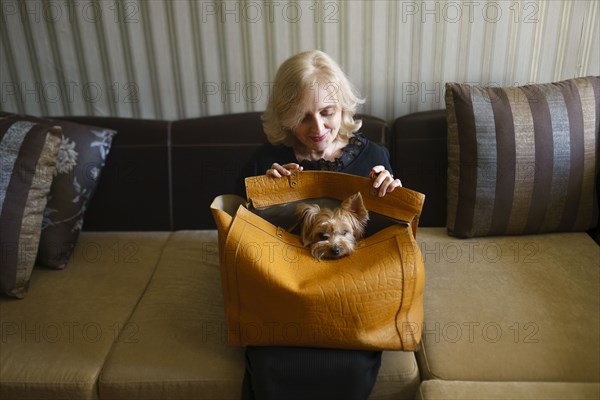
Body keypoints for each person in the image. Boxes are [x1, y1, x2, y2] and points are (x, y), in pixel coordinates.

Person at [238, 50, 401, 400]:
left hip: (352, 301)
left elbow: (397, 234)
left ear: (342, 106)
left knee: (353, 370)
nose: (318, 128)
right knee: (269, 367)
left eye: (327, 112)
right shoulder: (267, 160)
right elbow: (242, 231)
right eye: (302, 117)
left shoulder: (374, 158)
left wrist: (393, 193)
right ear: (285, 118)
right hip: (284, 300)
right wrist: (265, 191)